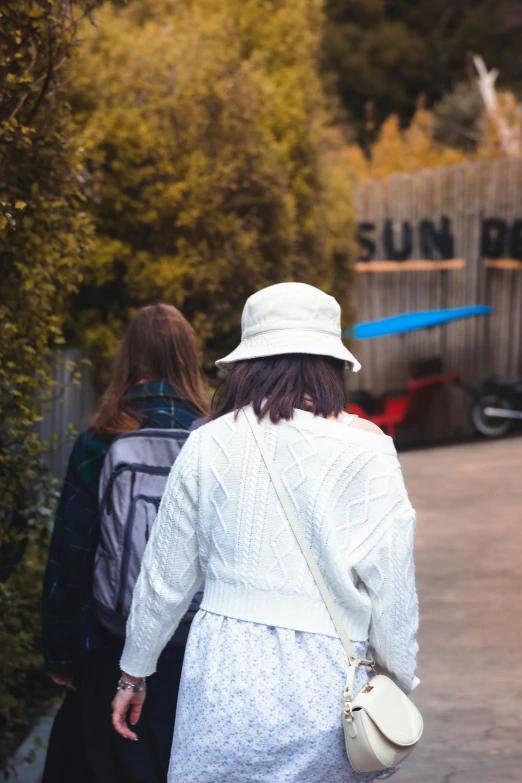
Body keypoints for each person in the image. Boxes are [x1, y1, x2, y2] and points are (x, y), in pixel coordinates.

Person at [112, 283, 420, 783]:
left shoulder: (207, 443)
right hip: (329, 685)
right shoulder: (370, 451)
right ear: (330, 364)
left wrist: (134, 670)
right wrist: (398, 680)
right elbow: (393, 590)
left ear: (247, 362)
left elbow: (164, 579)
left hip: (221, 679)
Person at [42, 303, 209, 783]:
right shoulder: (214, 438)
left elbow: (71, 553)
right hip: (191, 647)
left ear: (128, 358)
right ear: (188, 357)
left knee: (106, 762)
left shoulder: (100, 438)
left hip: (110, 640)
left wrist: (60, 651)